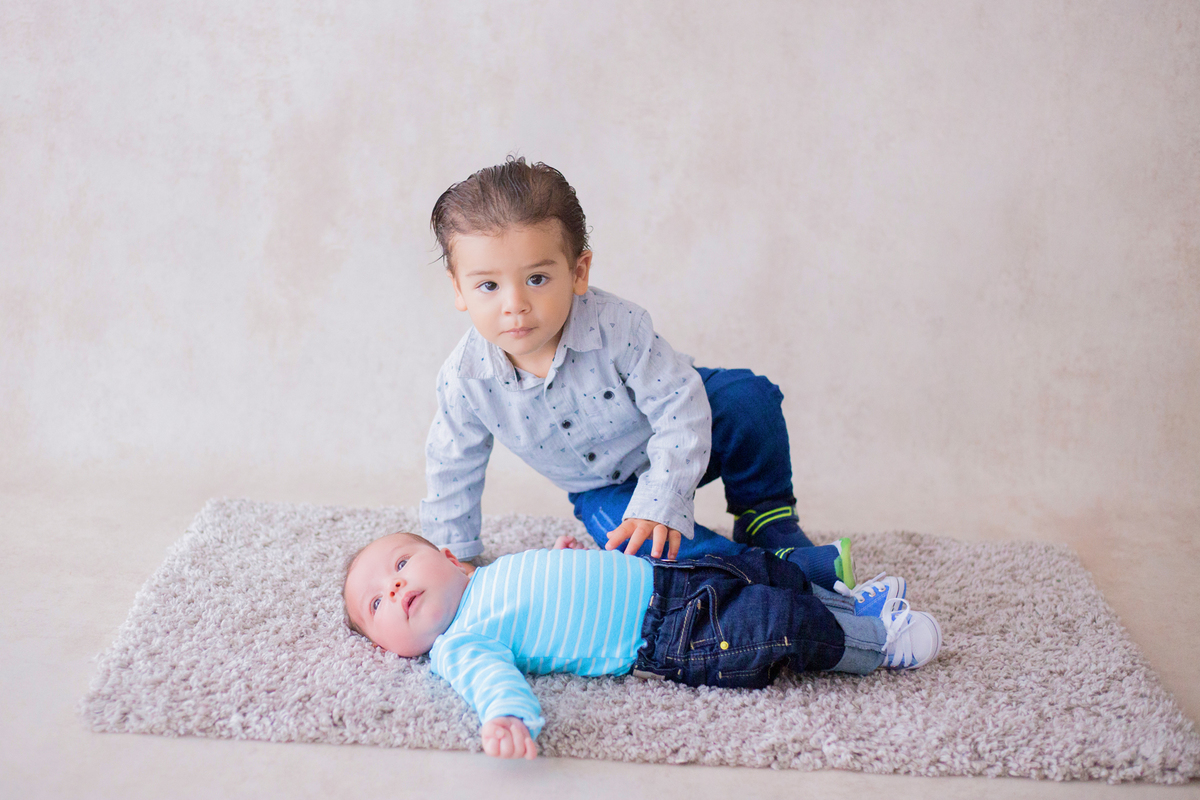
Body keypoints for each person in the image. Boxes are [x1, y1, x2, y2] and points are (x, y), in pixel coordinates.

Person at [421, 157, 849, 592]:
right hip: (605, 485)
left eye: (536, 278)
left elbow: (680, 406)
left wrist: (664, 497)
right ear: (459, 289)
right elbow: (452, 466)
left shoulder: (619, 326)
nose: (514, 304)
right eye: (488, 286)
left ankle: (766, 518)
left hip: (687, 426)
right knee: (641, 547)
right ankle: (776, 570)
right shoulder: (466, 380)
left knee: (748, 398)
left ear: (578, 272)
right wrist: (453, 556)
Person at [342, 530, 941, 760]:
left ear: (447, 558)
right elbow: (491, 682)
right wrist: (504, 715)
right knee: (774, 623)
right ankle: (877, 642)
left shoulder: (491, 573)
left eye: (400, 562)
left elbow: (554, 587)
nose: (393, 587)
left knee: (763, 570)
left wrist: (568, 557)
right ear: (392, 649)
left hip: (666, 575)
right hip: (671, 635)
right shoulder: (459, 644)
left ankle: (849, 602)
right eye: (377, 604)